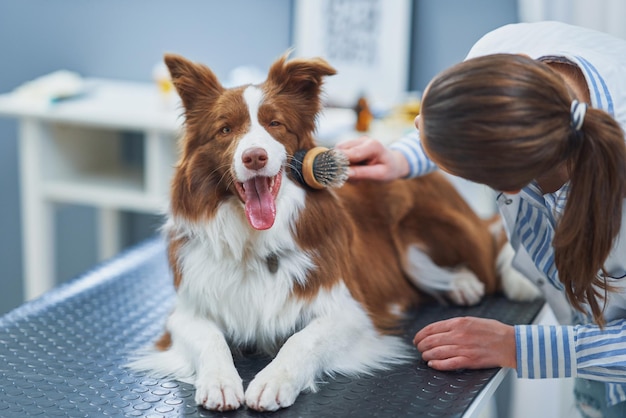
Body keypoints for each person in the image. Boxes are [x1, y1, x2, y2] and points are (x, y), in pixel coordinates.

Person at [336, 21, 626, 417]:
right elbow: (467, 120)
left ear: (511, 190)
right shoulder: (501, 51)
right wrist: (402, 156)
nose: (417, 125)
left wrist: (517, 347)